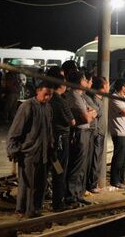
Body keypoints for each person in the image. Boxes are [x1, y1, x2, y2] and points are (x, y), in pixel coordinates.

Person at [6, 81, 54, 218]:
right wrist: (12, 150)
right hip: (28, 153)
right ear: (37, 91)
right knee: (26, 185)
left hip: (43, 153)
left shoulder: (48, 108)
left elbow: (49, 130)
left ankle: (35, 209)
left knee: (40, 183)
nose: (47, 97)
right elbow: (15, 131)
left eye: (50, 95)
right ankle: (22, 210)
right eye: (45, 94)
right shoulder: (27, 107)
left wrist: (51, 147)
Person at [64, 71, 97, 206]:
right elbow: (87, 117)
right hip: (79, 133)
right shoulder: (73, 96)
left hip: (85, 131)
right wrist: (91, 113)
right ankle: (71, 196)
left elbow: (94, 111)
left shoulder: (80, 96)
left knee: (83, 166)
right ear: (79, 81)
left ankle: (78, 194)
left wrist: (91, 112)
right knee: (77, 165)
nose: (87, 82)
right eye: (84, 80)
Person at [46, 72, 75, 211]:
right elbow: (71, 121)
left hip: (50, 139)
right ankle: (58, 203)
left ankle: (48, 200)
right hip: (61, 141)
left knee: (50, 170)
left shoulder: (48, 99)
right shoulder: (60, 101)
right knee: (59, 171)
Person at [109, 78, 125, 188]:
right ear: (122, 87)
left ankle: (121, 179)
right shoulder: (114, 98)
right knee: (118, 158)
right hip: (118, 133)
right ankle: (115, 180)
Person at [86, 77, 108, 194]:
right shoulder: (93, 99)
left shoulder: (100, 99)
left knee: (97, 159)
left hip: (101, 132)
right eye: (107, 84)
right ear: (103, 86)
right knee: (95, 159)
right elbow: (96, 113)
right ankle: (92, 184)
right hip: (97, 133)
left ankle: (93, 183)